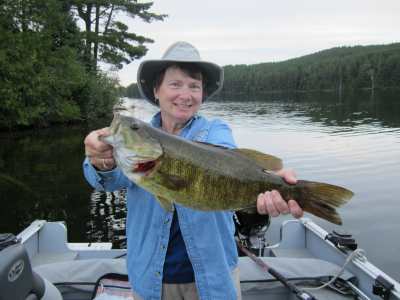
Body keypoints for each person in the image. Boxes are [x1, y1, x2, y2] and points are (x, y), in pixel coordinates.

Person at [83, 41, 303, 300]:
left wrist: (273, 182)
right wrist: (100, 160)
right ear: (156, 90)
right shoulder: (137, 144)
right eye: (175, 84)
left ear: (202, 94)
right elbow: (103, 181)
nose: (185, 95)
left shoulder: (215, 130)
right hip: (150, 280)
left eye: (194, 86)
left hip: (213, 281)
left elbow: (226, 158)